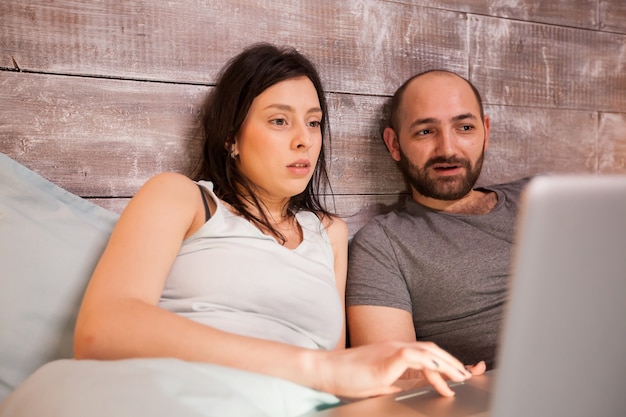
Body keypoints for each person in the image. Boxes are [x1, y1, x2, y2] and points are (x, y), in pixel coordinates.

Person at [0, 45, 474, 417]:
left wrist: (407, 382)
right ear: (231, 137)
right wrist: (318, 367)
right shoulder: (181, 198)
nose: (303, 139)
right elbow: (102, 331)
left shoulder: (329, 234)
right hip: (166, 391)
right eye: (279, 120)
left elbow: (335, 373)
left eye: (314, 122)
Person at [346, 69, 531, 375]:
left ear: (485, 132)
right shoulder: (384, 244)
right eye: (425, 132)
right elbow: (391, 379)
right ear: (394, 144)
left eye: (465, 127)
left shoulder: (542, 196)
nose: (447, 148)